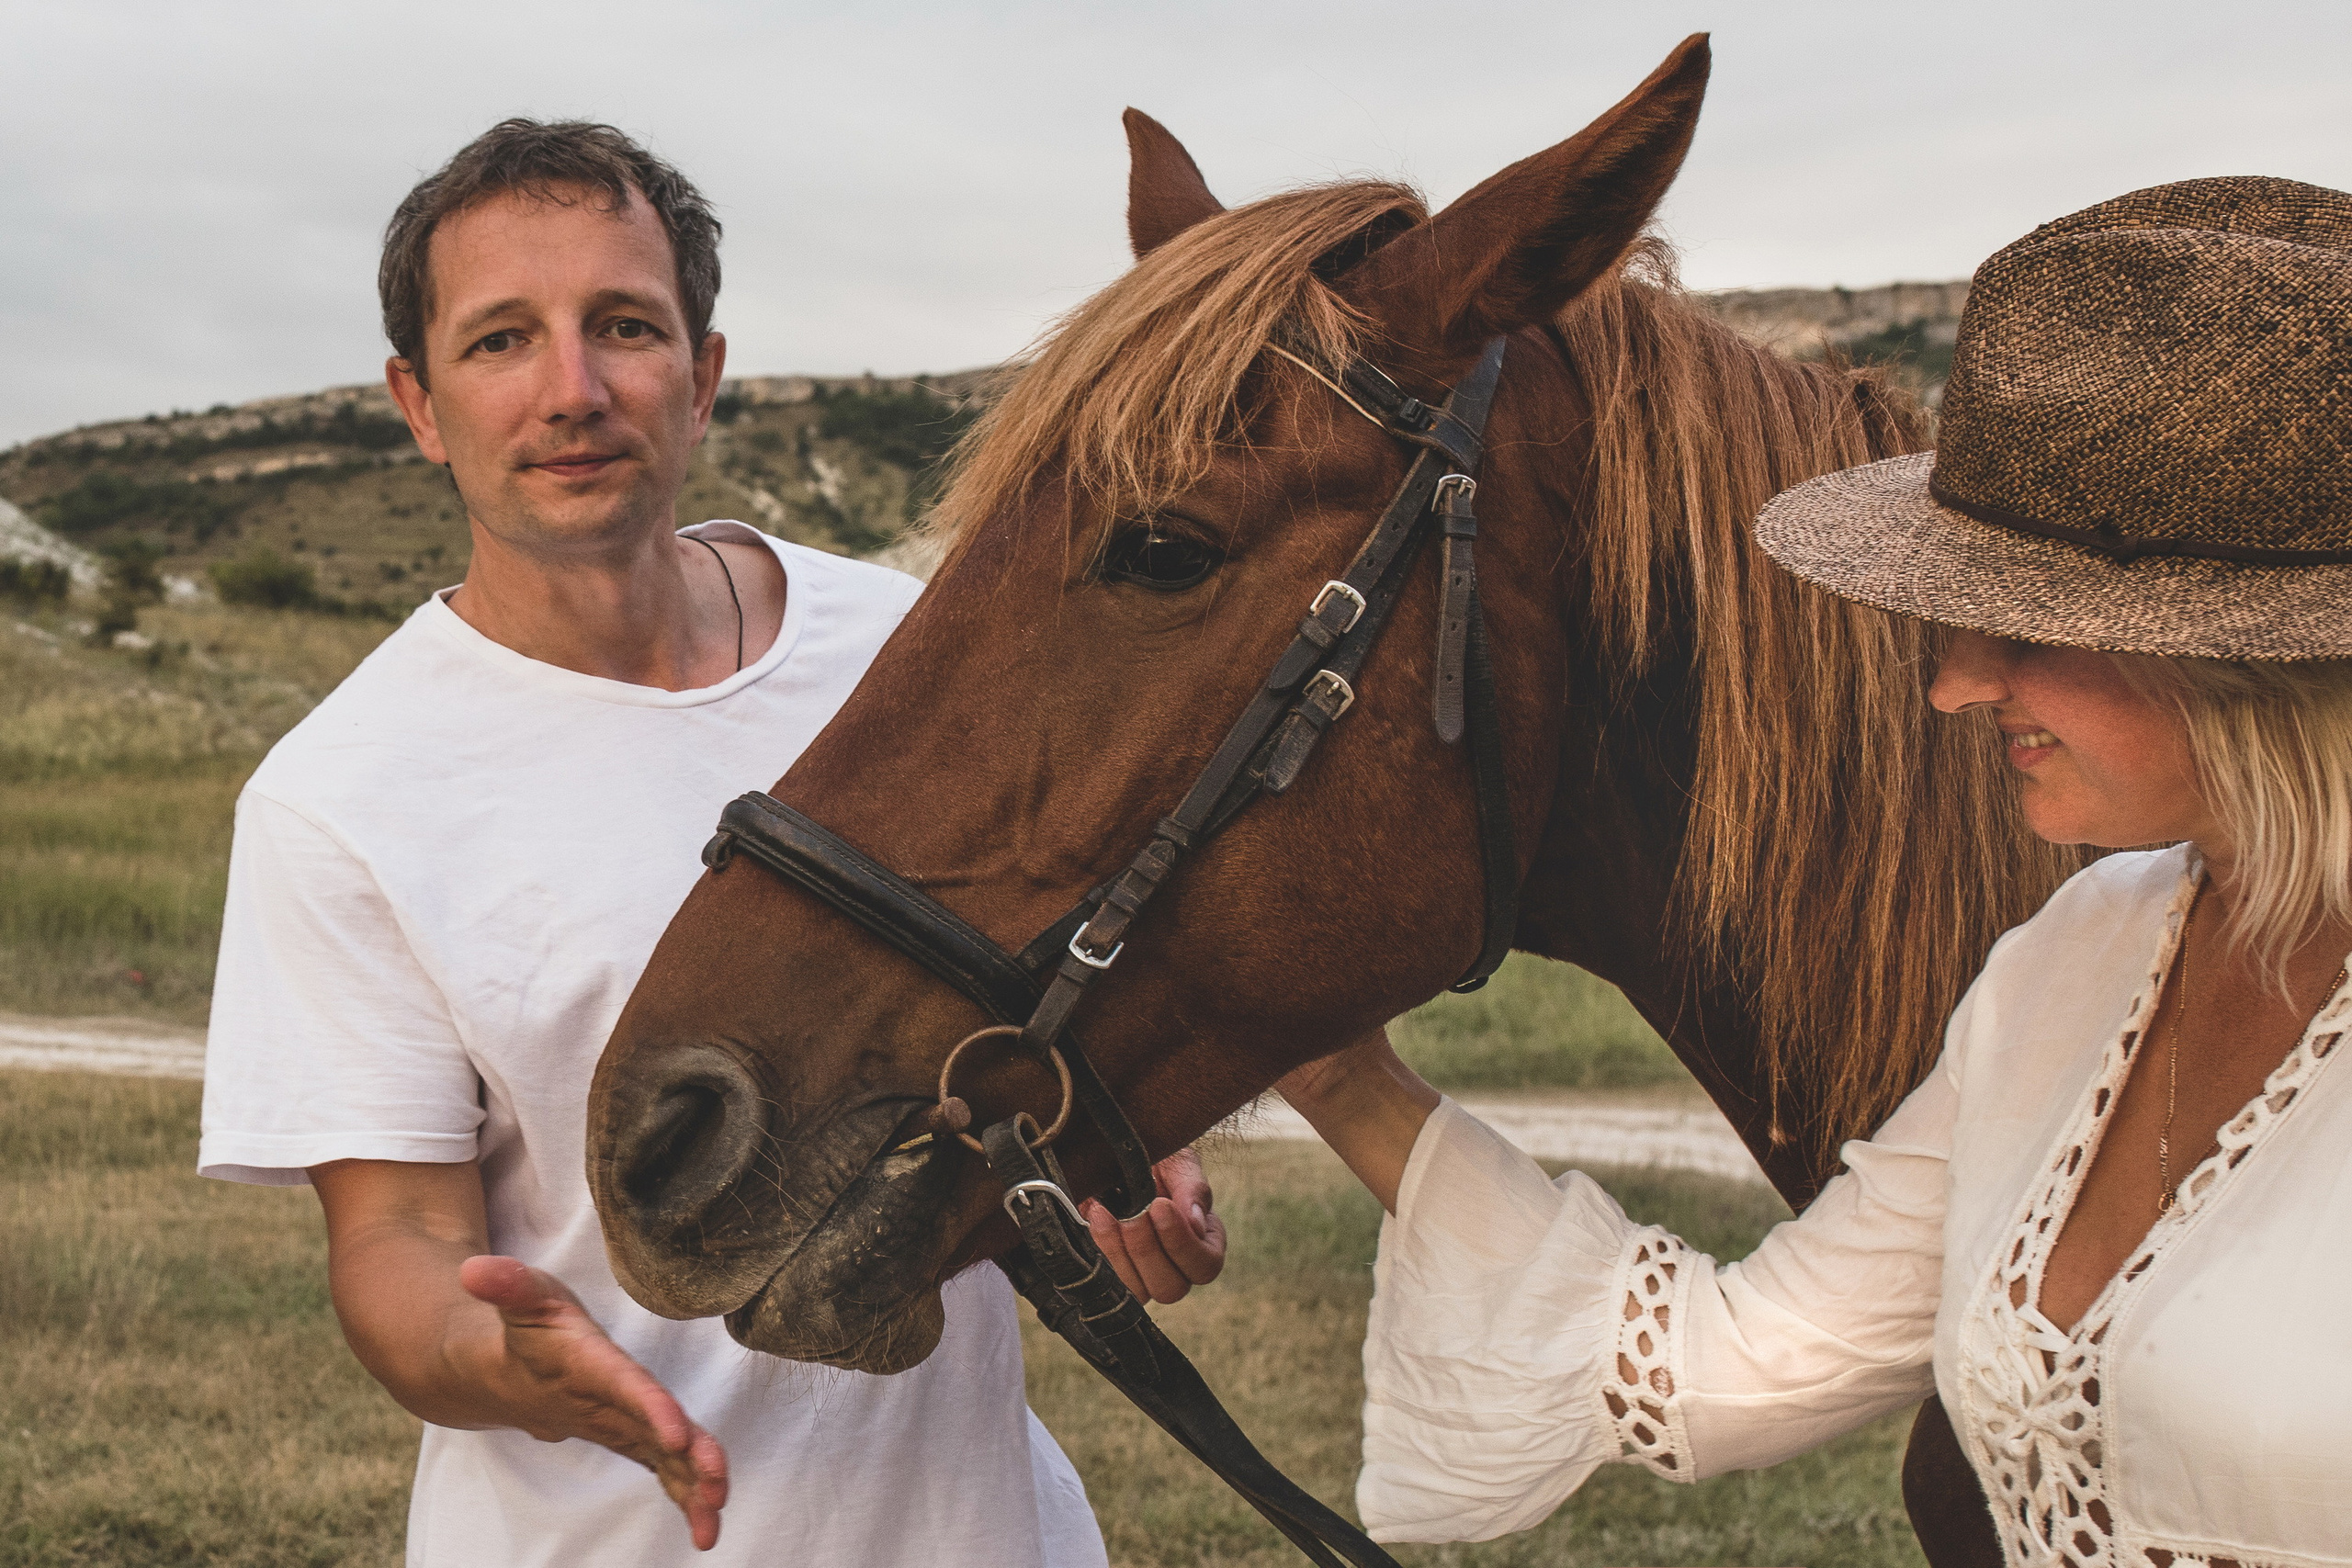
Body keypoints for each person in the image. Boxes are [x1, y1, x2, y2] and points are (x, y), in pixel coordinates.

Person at [1276, 175, 2352, 1563]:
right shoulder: (2078, 964)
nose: (1955, 684)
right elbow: (1735, 1365)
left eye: (2022, 626)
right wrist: (1340, 1074)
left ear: (2265, 656)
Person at [197, 118, 1226, 1566]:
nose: (574, 388)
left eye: (624, 325)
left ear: (706, 376)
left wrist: (1133, 1148)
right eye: (501, 341)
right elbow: (392, 1243)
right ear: (418, 406)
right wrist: (495, 1361)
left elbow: (1046, 1002)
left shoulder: (908, 655)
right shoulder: (344, 796)